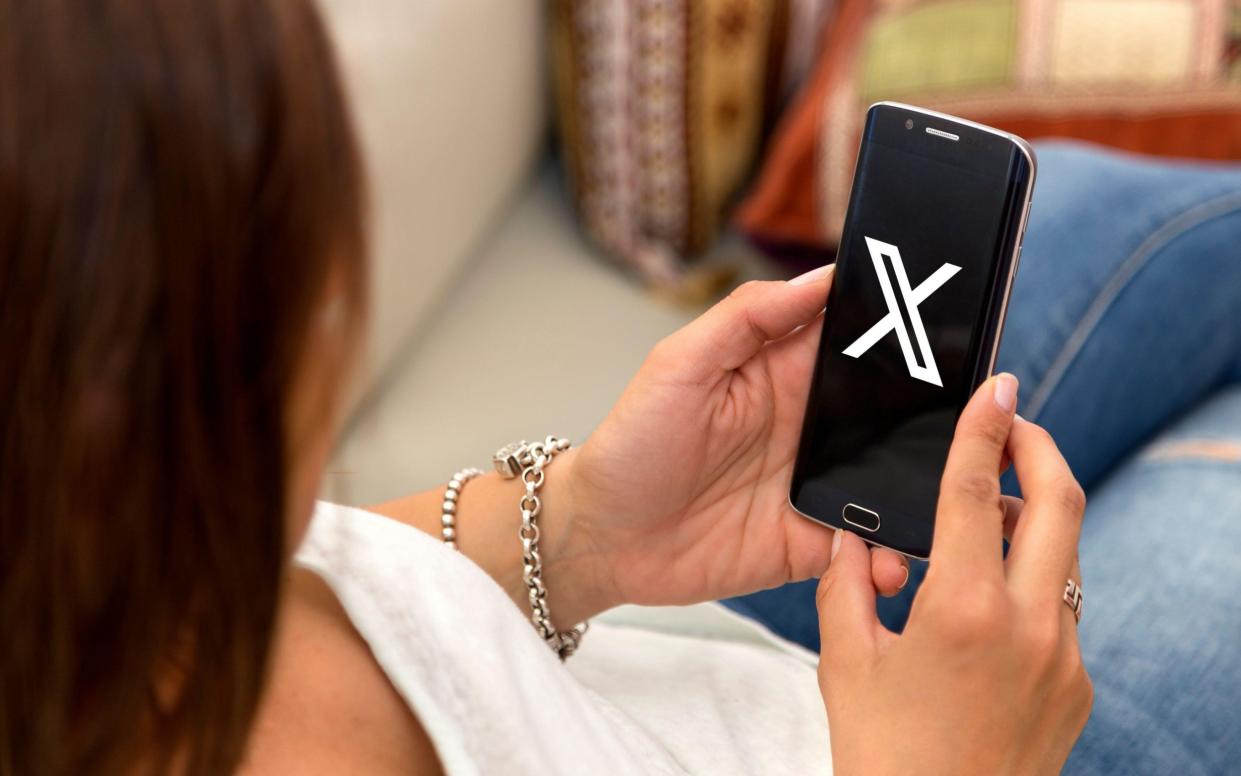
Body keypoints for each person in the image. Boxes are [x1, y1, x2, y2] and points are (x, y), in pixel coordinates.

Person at [2, 1, 1098, 774]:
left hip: (720, 659)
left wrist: (576, 531)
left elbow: (320, 574)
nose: (336, 322)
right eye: (308, 276)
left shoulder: (101, 589)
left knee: (1111, 213)